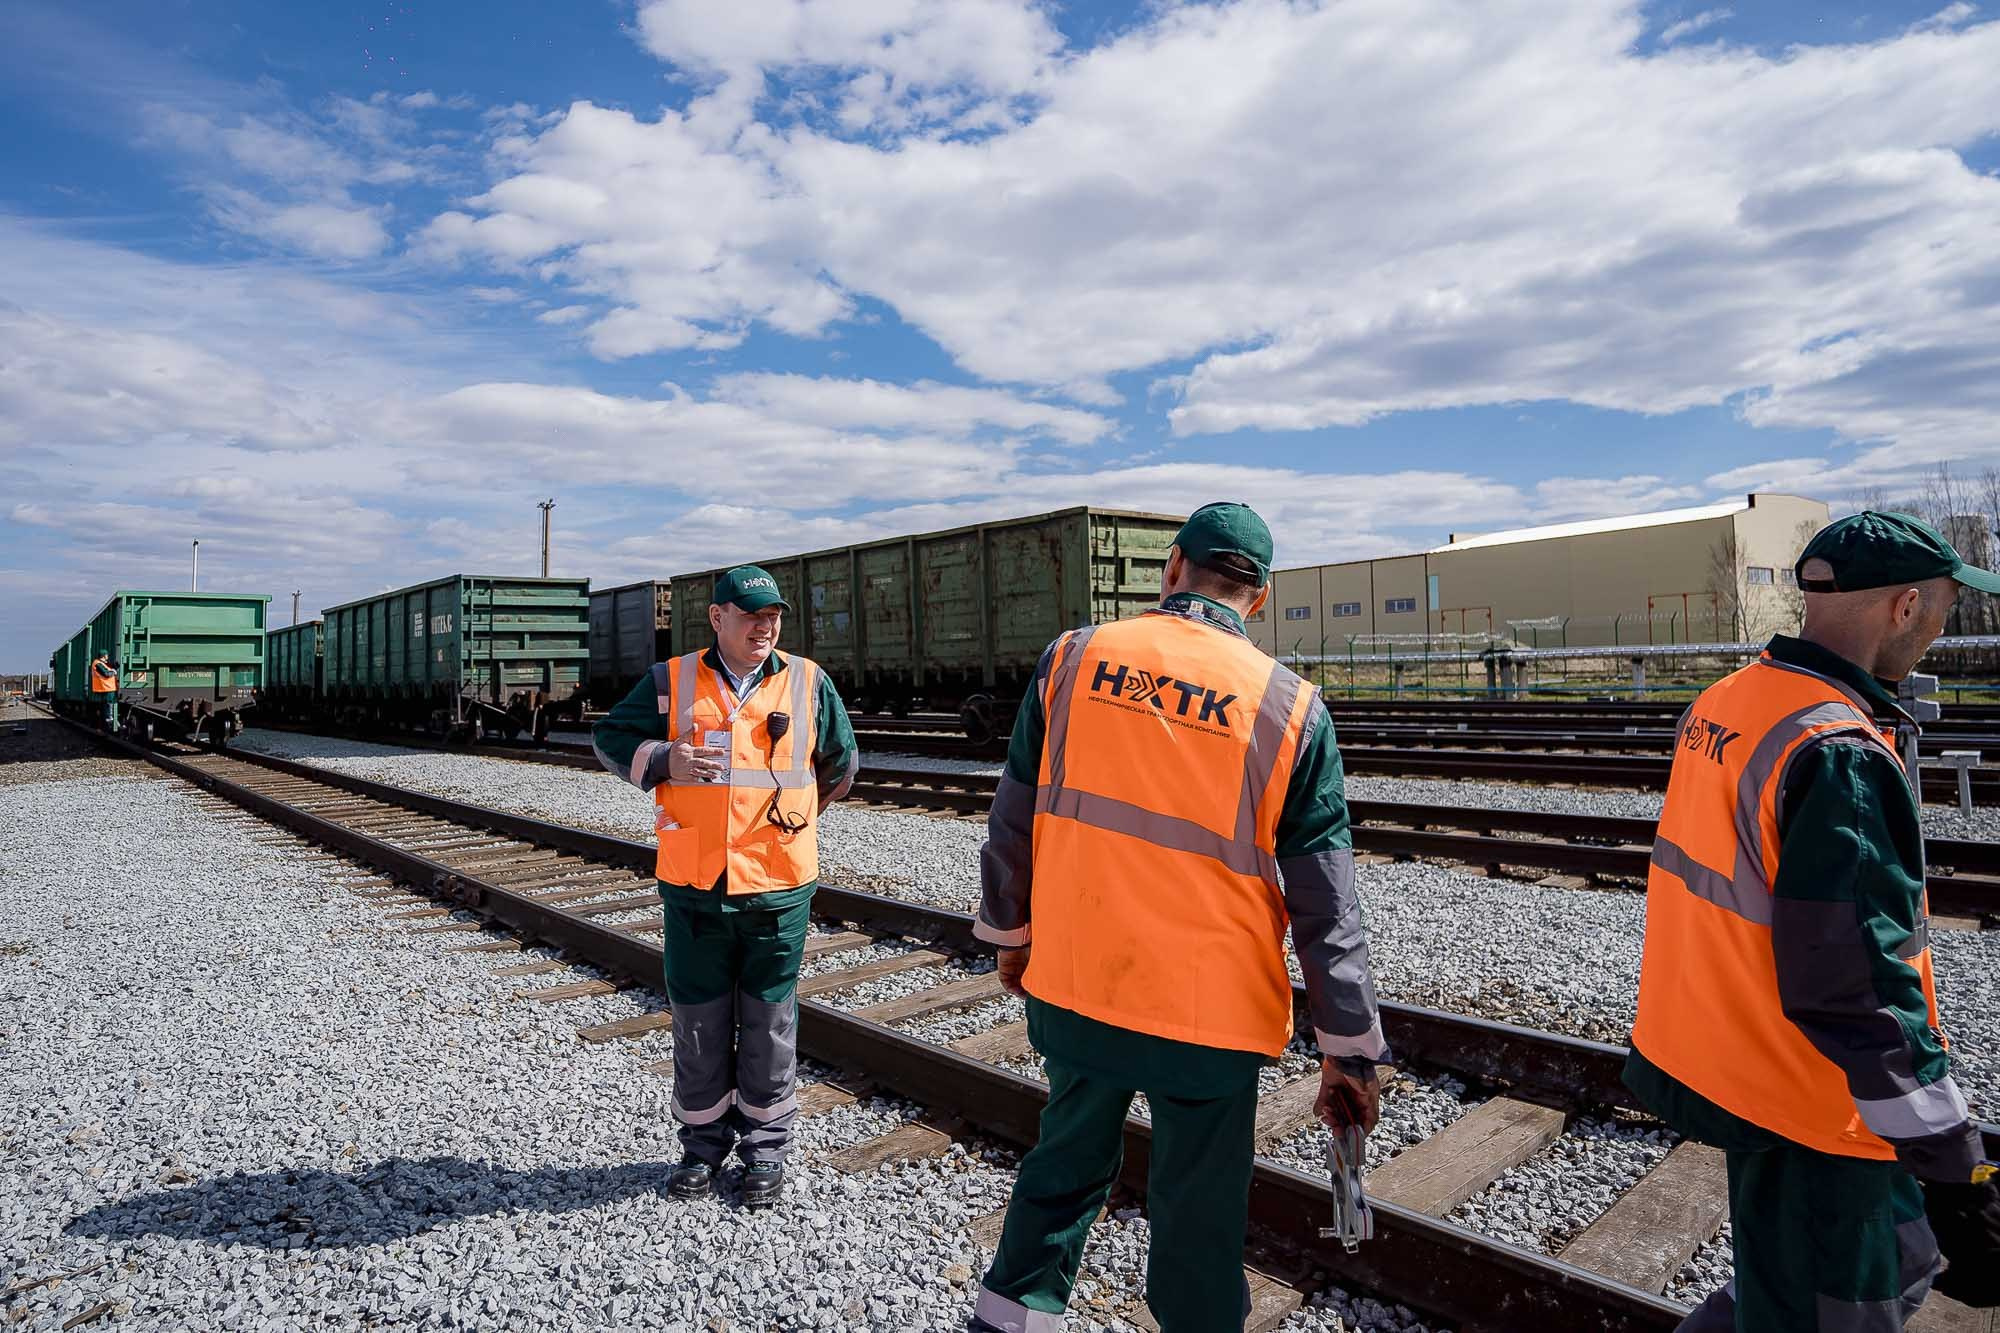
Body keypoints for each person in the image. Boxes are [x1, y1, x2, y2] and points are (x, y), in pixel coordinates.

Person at [969, 502, 1389, 1333]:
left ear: (1171, 567)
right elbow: (1326, 906)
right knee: (1199, 1217)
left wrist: (1011, 940)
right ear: (1258, 599)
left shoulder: (1074, 657)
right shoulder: (1292, 708)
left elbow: (1011, 823)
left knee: (1063, 1169)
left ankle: (1010, 1321)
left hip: (1082, 984)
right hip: (1210, 1018)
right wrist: (1350, 1051)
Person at [1626, 511, 2000, 1330]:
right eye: (1944, 609)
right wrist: (1951, 1162)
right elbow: (1858, 985)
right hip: (1817, 1102)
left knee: (1809, 1280)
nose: (1944, 628)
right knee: (1831, 1304)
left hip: (1733, 1061)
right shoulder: (1838, 750)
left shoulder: (1733, 698)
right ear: (1905, 607)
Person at [592, 566, 859, 1209]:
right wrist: (663, 760)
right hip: (694, 884)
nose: (764, 627)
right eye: (749, 615)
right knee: (699, 1020)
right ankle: (701, 1146)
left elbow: (841, 765)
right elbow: (609, 737)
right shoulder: (672, 679)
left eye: (772, 616)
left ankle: (766, 1151)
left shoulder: (807, 681)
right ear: (717, 619)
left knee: (768, 1021)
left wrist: (788, 823)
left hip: (777, 885)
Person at [89, 651, 118, 729]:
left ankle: (110, 720)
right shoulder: (97, 663)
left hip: (108, 687)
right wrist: (114, 672)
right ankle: (109, 721)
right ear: (104, 656)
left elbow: (108, 668)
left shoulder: (102, 663)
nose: (108, 656)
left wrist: (114, 667)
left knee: (109, 704)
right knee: (109, 704)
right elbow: (106, 674)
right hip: (105, 687)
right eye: (107, 655)